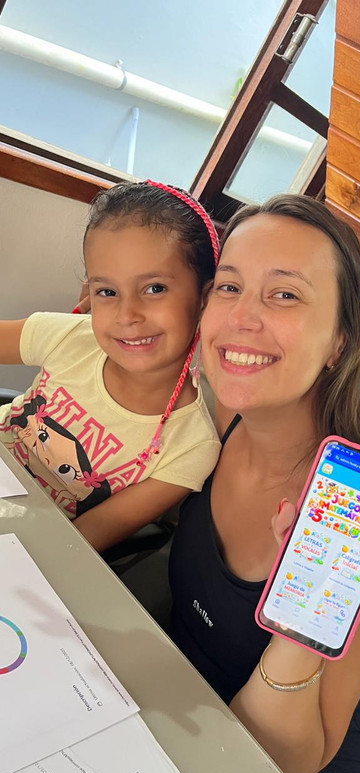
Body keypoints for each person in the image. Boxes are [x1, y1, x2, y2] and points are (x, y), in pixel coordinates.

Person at [168, 195, 360, 773]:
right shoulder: (222, 413)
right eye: (228, 287)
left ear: (341, 341)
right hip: (175, 719)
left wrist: (300, 628)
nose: (242, 318)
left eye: (285, 295)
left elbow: (286, 764)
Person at [0, 180, 221, 551]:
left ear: (204, 298)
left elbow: (79, 543)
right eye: (107, 292)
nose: (127, 315)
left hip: (26, 547)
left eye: (154, 288)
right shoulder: (71, 336)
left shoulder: (192, 447)